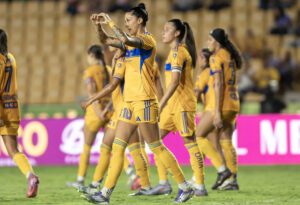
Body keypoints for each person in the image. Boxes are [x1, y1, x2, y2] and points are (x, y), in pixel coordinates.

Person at [82, 3, 194, 204]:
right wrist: (99, 26)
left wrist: (111, 22)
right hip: (129, 103)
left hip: (145, 101)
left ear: (140, 20)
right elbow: (106, 40)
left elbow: (124, 38)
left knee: (156, 146)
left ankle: (185, 187)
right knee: (118, 148)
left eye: (128, 20)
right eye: (124, 21)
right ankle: (104, 194)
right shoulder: (127, 47)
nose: (126, 24)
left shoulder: (147, 40)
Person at [148, 19, 207, 197]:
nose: (163, 32)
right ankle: (164, 183)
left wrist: (161, 102)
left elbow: (174, 82)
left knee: (190, 142)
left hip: (182, 106)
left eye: (167, 30)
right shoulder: (174, 53)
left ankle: (200, 184)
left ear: (177, 34)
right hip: (172, 107)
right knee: (155, 141)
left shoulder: (179, 53)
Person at [0, 29, 39, 197]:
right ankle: (30, 176)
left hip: (1, 108)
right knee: (13, 150)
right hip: (13, 107)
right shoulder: (11, 58)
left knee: (12, 149)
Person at [201, 28, 242, 190]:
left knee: (199, 136)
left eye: (210, 40)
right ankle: (232, 180)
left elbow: (218, 84)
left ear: (217, 43)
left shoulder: (216, 57)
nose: (208, 43)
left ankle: (222, 169)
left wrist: (217, 111)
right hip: (234, 104)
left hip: (222, 104)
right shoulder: (229, 56)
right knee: (225, 140)